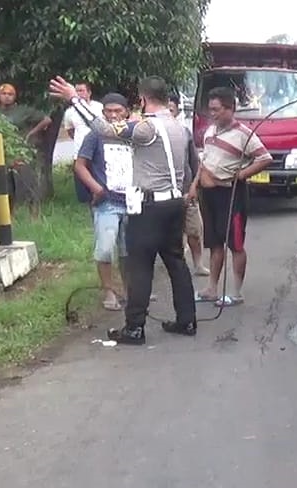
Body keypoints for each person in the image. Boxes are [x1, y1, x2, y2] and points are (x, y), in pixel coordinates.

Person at [51, 75, 197, 345]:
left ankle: (134, 327)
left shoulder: (147, 128)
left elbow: (105, 128)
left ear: (143, 99)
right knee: (176, 262)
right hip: (175, 201)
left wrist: (75, 99)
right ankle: (187, 319)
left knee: (139, 265)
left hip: (150, 204)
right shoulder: (179, 127)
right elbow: (189, 167)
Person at [189, 86, 272, 307]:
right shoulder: (209, 131)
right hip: (209, 195)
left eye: (217, 110)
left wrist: (242, 175)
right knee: (215, 243)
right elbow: (203, 161)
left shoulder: (244, 134)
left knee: (235, 244)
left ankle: (236, 292)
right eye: (211, 110)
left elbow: (264, 158)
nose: (213, 114)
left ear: (230, 109)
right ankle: (212, 288)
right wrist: (194, 186)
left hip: (231, 195)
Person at [73, 92, 132, 311]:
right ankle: (108, 291)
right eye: (109, 111)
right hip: (106, 201)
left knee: (128, 250)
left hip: (131, 200)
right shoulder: (94, 136)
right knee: (105, 248)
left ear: (126, 111)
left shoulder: (133, 134)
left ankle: (128, 290)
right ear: (103, 113)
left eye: (118, 111)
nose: (113, 115)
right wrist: (96, 188)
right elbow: (80, 165)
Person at [168, 94, 208, 276]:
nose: (167, 113)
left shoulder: (184, 133)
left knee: (194, 230)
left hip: (186, 190)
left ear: (177, 111)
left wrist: (194, 186)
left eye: (171, 109)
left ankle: (198, 264)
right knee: (170, 234)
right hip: (164, 193)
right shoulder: (149, 132)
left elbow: (194, 162)